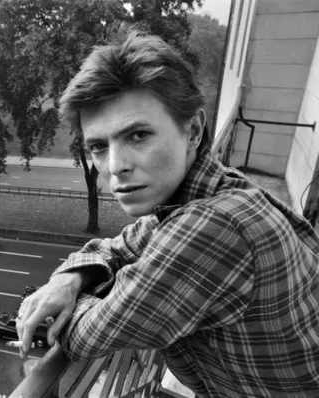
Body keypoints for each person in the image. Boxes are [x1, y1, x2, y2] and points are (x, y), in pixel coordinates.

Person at [16, 25, 319, 397]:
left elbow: (86, 336)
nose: (115, 166)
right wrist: (71, 278)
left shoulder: (214, 225)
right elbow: (120, 246)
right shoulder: (204, 193)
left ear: (192, 130)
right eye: (97, 147)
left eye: (138, 135)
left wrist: (75, 296)